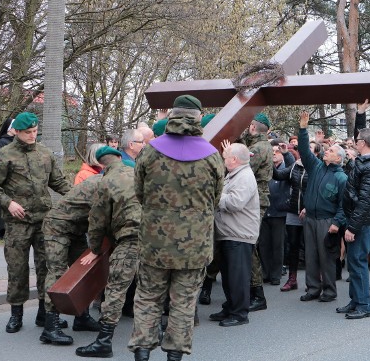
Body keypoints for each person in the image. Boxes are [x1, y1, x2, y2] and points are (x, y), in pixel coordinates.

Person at [127, 95, 224, 360]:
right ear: (199, 118)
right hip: (194, 247)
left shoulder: (149, 151)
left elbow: (139, 193)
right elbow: (215, 199)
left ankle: (143, 353)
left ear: (171, 117)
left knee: (147, 298)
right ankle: (175, 356)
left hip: (154, 244)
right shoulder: (213, 157)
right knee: (183, 304)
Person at [0, 112, 71, 333]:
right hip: (17, 223)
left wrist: (79, 196)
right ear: (17, 132)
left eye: (35, 131)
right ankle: (16, 314)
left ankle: (43, 313)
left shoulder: (45, 153)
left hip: (43, 221)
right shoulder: (5, 155)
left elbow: (58, 182)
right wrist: (8, 202)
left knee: (46, 268)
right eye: (28, 132)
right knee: (17, 268)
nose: (32, 135)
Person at [75, 147, 141, 358]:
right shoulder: (139, 172)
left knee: (115, 290)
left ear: (102, 165)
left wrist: (95, 249)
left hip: (131, 238)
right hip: (156, 238)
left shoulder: (105, 182)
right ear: (120, 158)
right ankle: (153, 332)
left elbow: (97, 221)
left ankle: (103, 342)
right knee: (150, 288)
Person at [39, 175, 103, 345]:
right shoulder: (103, 187)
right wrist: (96, 249)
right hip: (57, 227)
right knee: (57, 273)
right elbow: (100, 222)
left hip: (76, 229)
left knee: (85, 272)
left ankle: (82, 317)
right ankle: (50, 327)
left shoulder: (107, 182)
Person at [297, 111, 347, 304]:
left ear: (338, 158)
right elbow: (304, 150)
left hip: (327, 222)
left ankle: (329, 290)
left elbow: (344, 205)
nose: (327, 151)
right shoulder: (316, 167)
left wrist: (337, 223)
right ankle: (313, 288)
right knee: (310, 255)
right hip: (310, 219)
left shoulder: (341, 178)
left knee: (326, 258)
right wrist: (303, 128)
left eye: (331, 151)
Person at [209, 142, 259, 327]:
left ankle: (239, 313)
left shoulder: (245, 176)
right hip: (229, 233)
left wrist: (215, 195)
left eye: (225, 157)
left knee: (237, 277)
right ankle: (230, 307)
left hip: (239, 234)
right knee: (229, 276)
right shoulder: (234, 175)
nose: (223, 160)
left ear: (234, 159)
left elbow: (235, 202)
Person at [340, 127, 370, 319]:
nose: (354, 141)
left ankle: (364, 304)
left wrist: (352, 227)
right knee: (353, 262)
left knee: (358, 262)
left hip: (362, 221)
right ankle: (356, 300)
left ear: (363, 143)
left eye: (357, 139)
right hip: (357, 218)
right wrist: (360, 114)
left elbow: (366, 201)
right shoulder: (368, 159)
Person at [240, 113, 274, 312]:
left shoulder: (259, 148)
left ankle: (257, 294)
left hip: (255, 201)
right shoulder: (258, 145)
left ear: (253, 127)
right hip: (253, 200)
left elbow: (243, 168)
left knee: (250, 246)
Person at [272, 144, 309, 292]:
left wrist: (308, 207)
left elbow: (317, 188)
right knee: (292, 246)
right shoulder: (295, 166)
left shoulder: (316, 166)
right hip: (293, 211)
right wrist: (268, 161)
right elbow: (278, 176)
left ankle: (315, 280)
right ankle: (292, 279)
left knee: (311, 247)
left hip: (310, 213)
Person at [258, 143, 291, 285]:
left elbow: (294, 167)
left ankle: (276, 274)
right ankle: (265, 272)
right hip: (265, 210)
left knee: (278, 245)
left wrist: (286, 153)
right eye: (272, 151)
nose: (274, 154)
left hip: (279, 212)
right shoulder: (264, 167)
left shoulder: (285, 167)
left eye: (277, 151)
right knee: (264, 244)